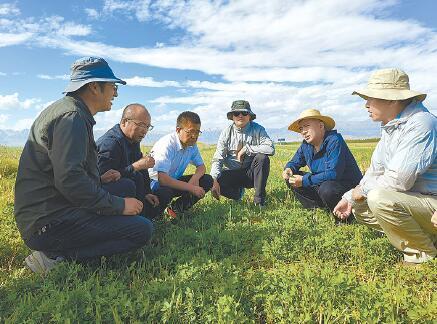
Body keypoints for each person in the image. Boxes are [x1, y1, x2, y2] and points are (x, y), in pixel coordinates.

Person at [14, 57, 153, 274]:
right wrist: (119, 206)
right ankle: (55, 257)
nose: (115, 93)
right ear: (95, 87)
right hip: (48, 222)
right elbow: (69, 180)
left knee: (125, 187)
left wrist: (98, 180)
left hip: (55, 206)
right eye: (113, 87)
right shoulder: (72, 117)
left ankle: (61, 248)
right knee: (141, 230)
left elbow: (65, 173)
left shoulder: (72, 112)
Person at [333, 68, 437, 264]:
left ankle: (420, 253)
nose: (366, 104)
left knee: (379, 197)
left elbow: (399, 180)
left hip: (431, 203)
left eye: (371, 98)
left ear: (392, 99)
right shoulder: (391, 127)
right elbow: (376, 171)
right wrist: (350, 197)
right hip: (416, 203)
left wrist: (361, 191)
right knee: (359, 207)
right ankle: (427, 238)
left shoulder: (421, 124)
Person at [283, 109, 362, 223]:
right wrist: (288, 169)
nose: (303, 131)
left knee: (327, 188)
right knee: (293, 178)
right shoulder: (306, 145)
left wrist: (304, 180)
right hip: (324, 184)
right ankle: (318, 208)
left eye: (307, 126)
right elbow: (295, 162)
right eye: (301, 128)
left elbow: (333, 174)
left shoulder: (334, 140)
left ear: (320, 126)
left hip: (347, 188)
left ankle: (344, 218)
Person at [96, 104, 162, 219]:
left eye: (147, 126)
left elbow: (141, 168)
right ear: (124, 122)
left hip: (126, 190)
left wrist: (147, 192)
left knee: (158, 192)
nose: (144, 131)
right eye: (141, 125)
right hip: (99, 198)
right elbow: (105, 179)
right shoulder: (111, 143)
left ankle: (144, 219)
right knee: (128, 184)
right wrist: (136, 166)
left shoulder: (133, 139)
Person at [148, 111, 213, 217]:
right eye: (191, 132)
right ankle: (154, 216)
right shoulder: (167, 145)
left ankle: (175, 210)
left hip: (173, 180)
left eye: (197, 132)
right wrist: (191, 187)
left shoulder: (192, 145)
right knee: (165, 192)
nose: (194, 136)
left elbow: (201, 167)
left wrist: (195, 178)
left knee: (207, 180)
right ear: (178, 130)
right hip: (154, 183)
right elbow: (163, 179)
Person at [210, 100, 275, 207]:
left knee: (262, 158)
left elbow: (270, 148)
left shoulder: (258, 129)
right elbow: (218, 158)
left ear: (249, 115)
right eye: (236, 113)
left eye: (244, 113)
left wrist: (247, 149)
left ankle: (259, 201)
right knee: (212, 179)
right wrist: (214, 180)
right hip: (233, 173)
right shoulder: (226, 132)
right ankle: (237, 194)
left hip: (252, 173)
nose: (240, 115)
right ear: (232, 117)